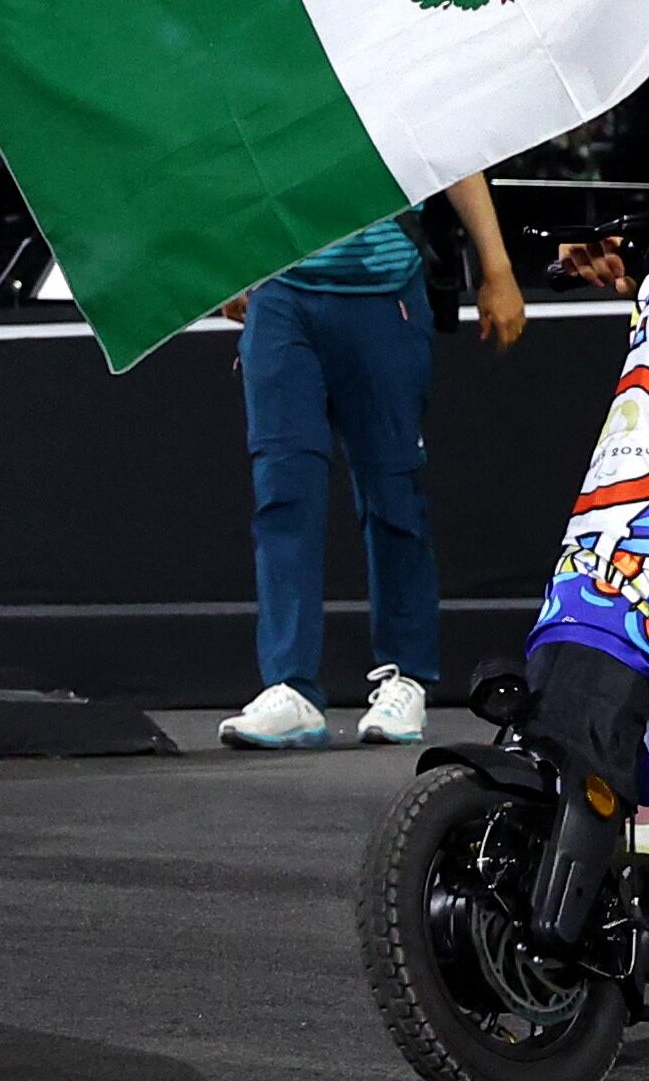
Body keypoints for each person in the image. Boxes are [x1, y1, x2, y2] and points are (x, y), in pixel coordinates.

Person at [210, 174, 524, 755]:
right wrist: (235, 258)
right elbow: (240, 156)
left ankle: (405, 678)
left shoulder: (396, 77)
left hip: (385, 297)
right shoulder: (272, 80)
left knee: (393, 492)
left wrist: (497, 270)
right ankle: (289, 685)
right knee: (282, 490)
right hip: (282, 293)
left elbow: (453, 155)